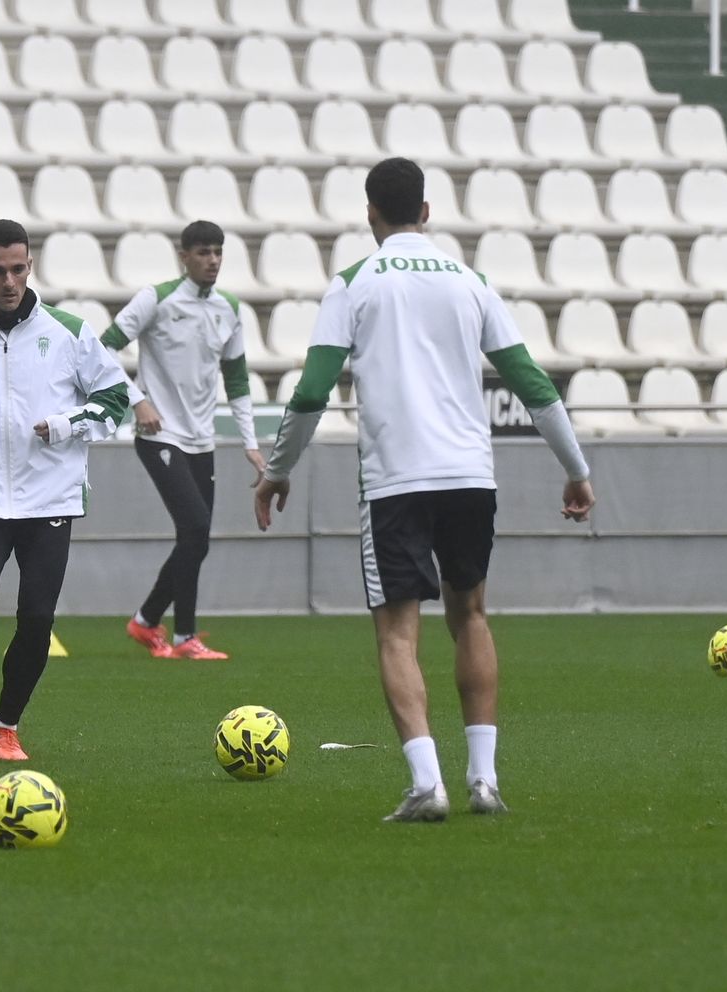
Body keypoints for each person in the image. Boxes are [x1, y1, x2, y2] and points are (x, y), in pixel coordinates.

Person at [252, 158, 596, 822]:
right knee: (471, 617)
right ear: (427, 211)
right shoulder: (471, 282)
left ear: (370, 214)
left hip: (397, 482)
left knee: (397, 635)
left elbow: (313, 391)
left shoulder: (354, 283)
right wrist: (576, 469)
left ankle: (426, 784)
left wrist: (277, 470)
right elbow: (530, 382)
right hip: (470, 477)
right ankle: (484, 781)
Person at [0, 219, 130, 762]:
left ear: (30, 265)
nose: (8, 281)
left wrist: (65, 425)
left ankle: (7, 726)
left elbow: (114, 399)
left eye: (17, 269)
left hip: (50, 499)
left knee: (36, 617)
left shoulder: (69, 332)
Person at [100, 221, 265, 661]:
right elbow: (102, 349)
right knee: (194, 530)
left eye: (218, 252)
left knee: (197, 538)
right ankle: (179, 634)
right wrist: (137, 401)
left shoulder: (229, 308)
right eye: (204, 252)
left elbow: (237, 380)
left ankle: (151, 623)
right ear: (184, 256)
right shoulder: (156, 298)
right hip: (160, 435)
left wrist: (250, 443)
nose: (212, 260)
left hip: (201, 439)